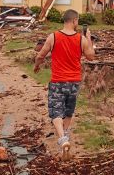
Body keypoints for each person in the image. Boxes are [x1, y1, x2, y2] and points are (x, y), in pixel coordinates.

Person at [34, 9, 95, 160]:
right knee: (68, 112)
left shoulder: (53, 36)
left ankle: (62, 139)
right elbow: (91, 57)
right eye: (77, 21)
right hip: (74, 82)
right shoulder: (81, 39)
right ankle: (65, 137)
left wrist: (36, 66)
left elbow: (41, 55)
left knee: (55, 112)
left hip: (57, 81)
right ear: (74, 21)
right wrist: (89, 39)